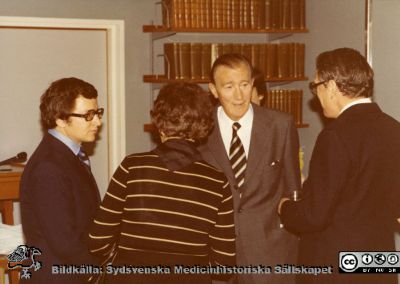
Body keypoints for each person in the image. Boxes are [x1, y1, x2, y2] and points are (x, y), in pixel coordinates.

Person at [88, 82, 236, 283]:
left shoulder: (132, 167)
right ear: (204, 124)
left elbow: (97, 241)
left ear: (158, 121)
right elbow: (224, 264)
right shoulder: (217, 181)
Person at [278, 47, 400, 284]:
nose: (316, 95)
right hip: (381, 261)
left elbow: (314, 216)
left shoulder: (335, 136)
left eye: (316, 87)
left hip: (335, 269)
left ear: (331, 87)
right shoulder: (394, 129)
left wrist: (285, 208)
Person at [199, 53, 301, 284]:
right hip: (215, 257)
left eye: (244, 85)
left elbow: (293, 191)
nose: (238, 95)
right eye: (228, 86)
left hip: (271, 255)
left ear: (252, 84)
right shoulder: (200, 130)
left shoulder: (280, 125)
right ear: (213, 90)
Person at [20, 77, 102, 283]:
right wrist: (99, 272)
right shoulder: (49, 167)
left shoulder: (70, 155)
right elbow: (63, 241)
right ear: (60, 119)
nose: (98, 122)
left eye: (98, 113)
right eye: (88, 115)